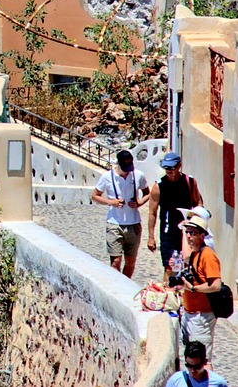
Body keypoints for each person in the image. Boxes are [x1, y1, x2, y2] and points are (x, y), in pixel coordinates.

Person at [92, 149, 151, 278]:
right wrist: (110, 202)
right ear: (118, 163)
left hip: (133, 223)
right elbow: (95, 196)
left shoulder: (138, 175)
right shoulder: (107, 177)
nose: (127, 171)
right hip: (114, 224)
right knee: (116, 261)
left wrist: (139, 203)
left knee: (130, 261)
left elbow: (148, 193)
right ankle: (115, 285)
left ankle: (125, 284)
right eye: (125, 168)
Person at [147, 151, 203, 282]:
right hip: (168, 233)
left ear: (179, 166)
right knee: (169, 267)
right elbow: (152, 213)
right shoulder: (159, 186)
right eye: (167, 168)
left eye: (172, 168)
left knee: (188, 265)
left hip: (188, 232)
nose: (169, 171)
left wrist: (196, 219)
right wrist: (151, 237)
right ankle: (169, 297)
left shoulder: (190, 181)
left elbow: (198, 202)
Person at [177, 216, 223, 361]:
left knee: (202, 361)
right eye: (187, 233)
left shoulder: (207, 256)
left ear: (202, 235)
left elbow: (216, 285)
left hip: (202, 316)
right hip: (191, 314)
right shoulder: (194, 255)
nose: (189, 236)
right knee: (192, 358)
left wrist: (194, 289)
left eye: (193, 233)